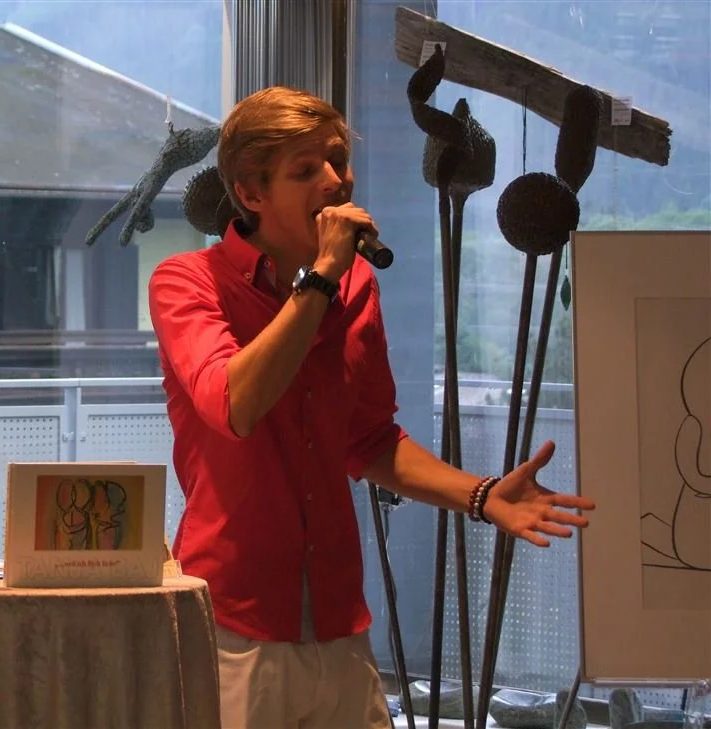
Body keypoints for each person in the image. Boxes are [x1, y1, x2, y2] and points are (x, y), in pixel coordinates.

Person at [148, 87, 597, 729]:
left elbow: (369, 440)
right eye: (306, 170)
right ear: (250, 192)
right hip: (231, 624)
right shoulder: (187, 281)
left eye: (338, 161)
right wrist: (321, 279)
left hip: (339, 622)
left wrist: (481, 495)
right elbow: (234, 405)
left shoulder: (356, 283)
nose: (335, 182)